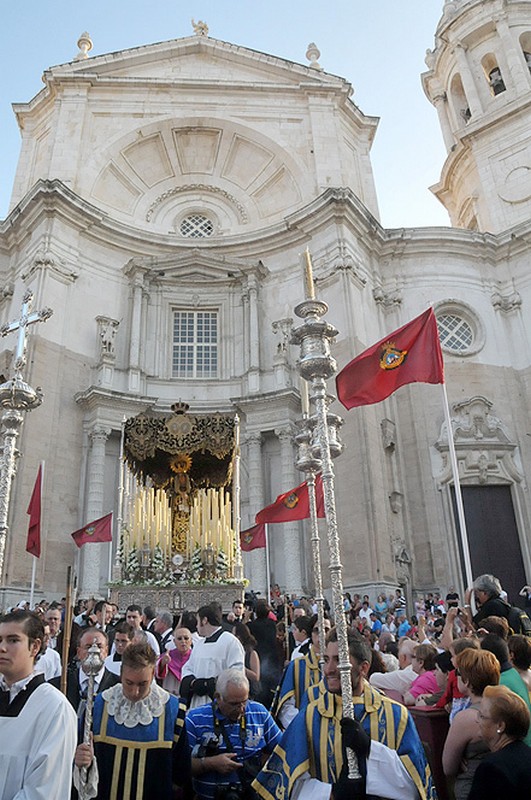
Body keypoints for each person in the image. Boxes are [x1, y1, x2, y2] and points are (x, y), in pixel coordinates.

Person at [253, 627, 435, 799]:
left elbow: (416, 787)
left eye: (339, 660)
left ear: (363, 668)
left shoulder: (396, 716)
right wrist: (331, 793)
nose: (328, 669)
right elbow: (286, 784)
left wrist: (371, 750)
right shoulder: (310, 717)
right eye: (326, 659)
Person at [74, 642, 191, 799]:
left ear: (152, 675)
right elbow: (82, 766)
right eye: (129, 683)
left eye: (143, 684)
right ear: (121, 673)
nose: (135, 692)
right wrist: (82, 760)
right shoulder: (97, 707)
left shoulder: (173, 711)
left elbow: (181, 773)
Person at [0, 610, 77, 799]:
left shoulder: (54, 708)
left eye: (13, 640)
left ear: (34, 647)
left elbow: (44, 790)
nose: (2, 647)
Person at [186, 668, 282, 800]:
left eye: (245, 701)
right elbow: (180, 766)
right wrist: (210, 763)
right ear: (218, 697)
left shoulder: (259, 713)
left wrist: (262, 765)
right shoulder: (194, 719)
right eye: (234, 704)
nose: (241, 709)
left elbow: (282, 751)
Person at [442, 648, 500, 799]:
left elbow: (448, 767)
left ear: (467, 681)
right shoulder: (507, 706)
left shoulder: (465, 718)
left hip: (473, 789)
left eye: (458, 673)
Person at [467, 684, 531, 799]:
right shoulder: (527, 754)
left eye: (482, 716)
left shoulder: (492, 769)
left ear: (500, 726)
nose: (477, 721)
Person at [271, 613, 331, 730]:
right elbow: (286, 708)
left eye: (326, 629)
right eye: (317, 630)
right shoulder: (297, 666)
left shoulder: (342, 667)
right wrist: (306, 725)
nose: (322, 634)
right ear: (310, 634)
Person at [181, 602, 245, 708]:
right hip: (197, 704)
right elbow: (187, 668)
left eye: (198, 621)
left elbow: (237, 673)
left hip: (220, 704)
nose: (196, 626)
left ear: (205, 620)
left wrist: (211, 684)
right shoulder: (199, 644)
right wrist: (194, 683)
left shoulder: (230, 641)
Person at [66, 628, 120, 712]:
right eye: (88, 647)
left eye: (99, 646)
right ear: (78, 652)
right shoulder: (62, 683)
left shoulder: (118, 686)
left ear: (106, 651)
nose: (94, 652)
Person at [155, 625, 193, 695]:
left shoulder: (195, 656)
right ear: (174, 641)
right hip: (169, 693)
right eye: (179, 638)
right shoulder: (168, 655)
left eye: (186, 638)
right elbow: (157, 672)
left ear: (191, 641)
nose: (183, 641)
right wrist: (163, 663)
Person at [233, 621, 261, 699]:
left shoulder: (251, 653)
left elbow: (256, 676)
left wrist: (241, 668)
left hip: (251, 692)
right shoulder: (234, 651)